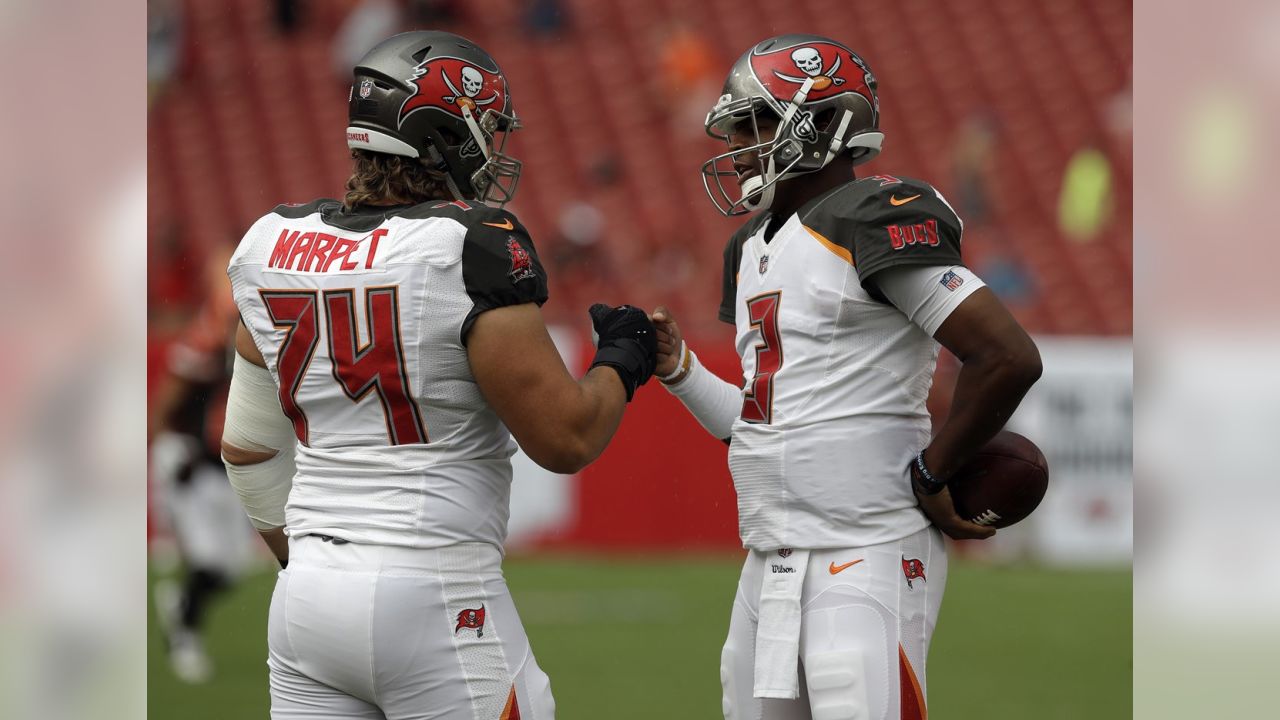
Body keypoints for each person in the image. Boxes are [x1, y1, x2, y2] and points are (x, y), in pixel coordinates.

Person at [220, 31, 656, 719]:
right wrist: (622, 361)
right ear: (441, 132)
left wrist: (312, 570)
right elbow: (566, 438)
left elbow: (248, 451)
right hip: (432, 590)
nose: (493, 148)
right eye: (484, 129)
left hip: (305, 599)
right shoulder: (469, 243)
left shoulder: (271, 243)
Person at [656, 34, 1042, 719]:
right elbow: (758, 426)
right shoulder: (750, 245)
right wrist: (679, 370)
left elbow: (1007, 355)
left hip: (866, 550)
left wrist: (933, 470)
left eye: (759, 121)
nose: (742, 142)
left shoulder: (872, 217)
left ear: (824, 123)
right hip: (769, 565)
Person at [149, 243, 257, 684]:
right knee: (209, 559)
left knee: (233, 569)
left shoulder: (261, 337)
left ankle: (180, 603)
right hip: (190, 461)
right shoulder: (207, 339)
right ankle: (185, 641)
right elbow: (172, 395)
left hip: (226, 467)